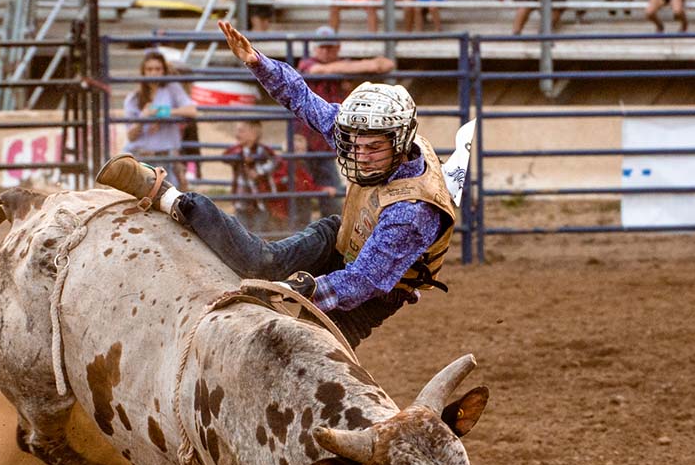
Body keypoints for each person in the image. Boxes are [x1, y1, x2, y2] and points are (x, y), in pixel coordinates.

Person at [96, 20, 456, 348]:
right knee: (263, 262)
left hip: (375, 293)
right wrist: (257, 61)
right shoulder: (367, 135)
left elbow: (364, 281)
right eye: (355, 145)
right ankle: (172, 197)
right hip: (342, 236)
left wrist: (295, 291)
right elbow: (304, 100)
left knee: (309, 348)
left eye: (373, 148)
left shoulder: (412, 212)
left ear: (399, 142)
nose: (360, 155)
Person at [296, 25, 395, 220]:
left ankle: (334, 230)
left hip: (331, 140)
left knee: (332, 193)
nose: (326, 52)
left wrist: (348, 68)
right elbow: (317, 70)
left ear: (338, 47)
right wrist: (357, 67)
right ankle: (302, 229)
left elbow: (385, 65)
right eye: (322, 47)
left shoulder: (340, 66)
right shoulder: (308, 64)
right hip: (308, 139)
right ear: (316, 49)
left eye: (330, 47)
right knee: (302, 191)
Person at [122, 50, 198, 188]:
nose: (154, 73)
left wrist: (163, 112)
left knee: (168, 196)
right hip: (141, 158)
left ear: (164, 71)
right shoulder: (134, 98)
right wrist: (143, 118)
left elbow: (192, 110)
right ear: (143, 72)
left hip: (165, 158)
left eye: (158, 69)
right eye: (149, 69)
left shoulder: (172, 89)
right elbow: (131, 136)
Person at [222, 119, 285, 232]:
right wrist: (240, 156)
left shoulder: (262, 150)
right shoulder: (238, 150)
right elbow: (225, 157)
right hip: (242, 198)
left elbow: (276, 161)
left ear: (253, 134)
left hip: (260, 199)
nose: (237, 134)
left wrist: (259, 171)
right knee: (241, 229)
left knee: (258, 230)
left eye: (241, 131)